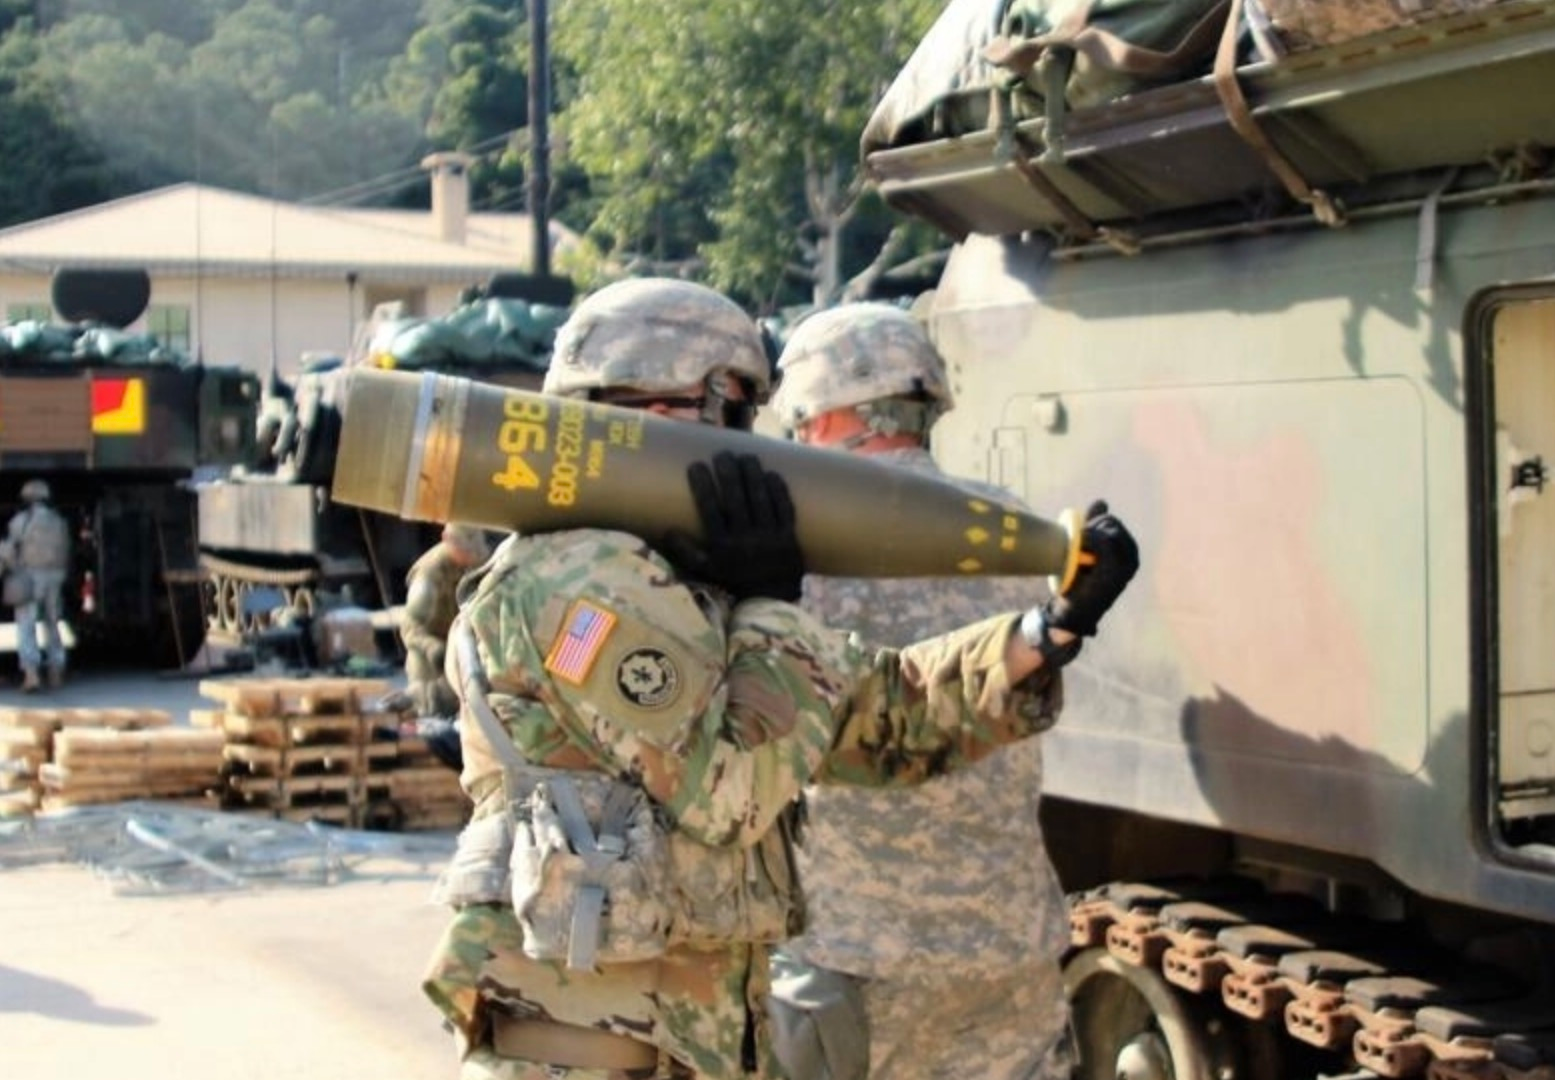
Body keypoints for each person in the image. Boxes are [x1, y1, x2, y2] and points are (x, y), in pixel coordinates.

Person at [420, 278, 1139, 1080]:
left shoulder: (675, 574)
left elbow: (872, 707)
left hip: (680, 1035)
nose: (756, 442)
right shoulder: (573, 584)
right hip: (591, 1045)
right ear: (682, 410)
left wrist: (1047, 633)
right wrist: (769, 606)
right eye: (740, 414)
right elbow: (728, 794)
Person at [764, 303, 1069, 1080]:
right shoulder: (1005, 524)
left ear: (820, 413)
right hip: (1009, 945)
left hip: (854, 955)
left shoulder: (794, 541)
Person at [402, 523, 494, 718]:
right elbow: (411, 629)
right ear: (448, 541)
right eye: (466, 551)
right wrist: (433, 648)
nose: (472, 557)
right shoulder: (429, 574)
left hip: (461, 645)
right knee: (429, 710)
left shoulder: (478, 563)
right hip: (430, 657)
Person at [5, 479, 71, 692]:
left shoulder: (21, 521)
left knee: (27, 623)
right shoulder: (59, 521)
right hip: (56, 577)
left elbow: (9, 551)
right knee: (53, 623)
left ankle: (31, 674)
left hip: (30, 577)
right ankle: (56, 671)